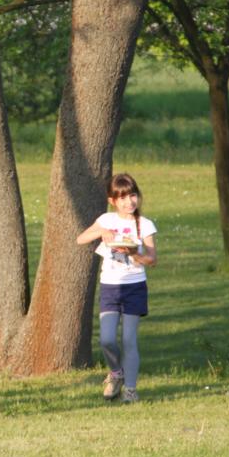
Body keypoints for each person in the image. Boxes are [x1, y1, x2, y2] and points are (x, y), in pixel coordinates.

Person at [76, 172, 158, 403]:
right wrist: (101, 232)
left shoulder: (145, 225)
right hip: (110, 287)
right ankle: (116, 374)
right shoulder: (107, 220)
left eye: (132, 196)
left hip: (135, 287)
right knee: (107, 339)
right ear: (112, 201)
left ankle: (130, 390)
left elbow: (152, 260)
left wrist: (134, 253)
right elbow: (81, 239)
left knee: (129, 340)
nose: (129, 202)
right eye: (122, 198)